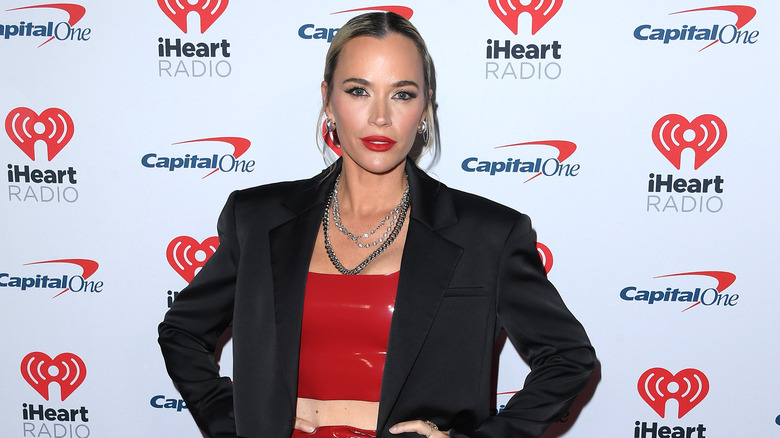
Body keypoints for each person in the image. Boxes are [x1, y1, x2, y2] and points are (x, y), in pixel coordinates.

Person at [158, 12, 595, 438]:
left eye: (402, 94)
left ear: (426, 107)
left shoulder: (487, 234)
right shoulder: (256, 217)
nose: (381, 116)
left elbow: (568, 357)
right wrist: (237, 423)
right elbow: (182, 332)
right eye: (358, 90)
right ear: (328, 99)